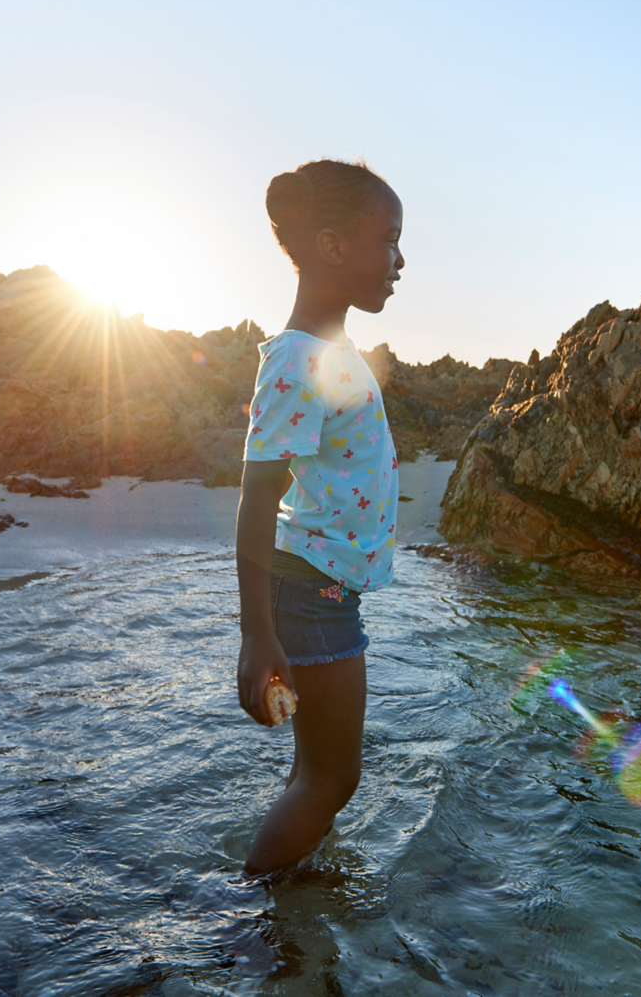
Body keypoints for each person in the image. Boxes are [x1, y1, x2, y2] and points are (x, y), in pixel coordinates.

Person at [236, 158, 405, 875]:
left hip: (322, 587)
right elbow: (255, 498)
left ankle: (298, 880)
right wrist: (257, 635)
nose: (400, 260)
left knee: (319, 773)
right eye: (388, 240)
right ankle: (252, 914)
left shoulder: (334, 351)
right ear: (333, 245)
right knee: (335, 777)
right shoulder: (298, 359)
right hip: (311, 590)